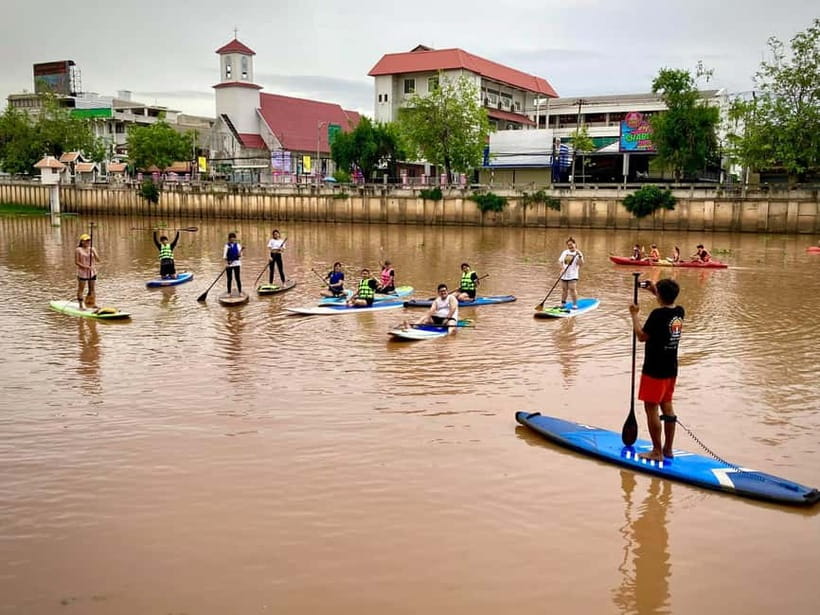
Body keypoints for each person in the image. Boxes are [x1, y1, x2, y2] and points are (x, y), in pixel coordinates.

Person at [629, 278, 684, 462]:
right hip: (671, 368)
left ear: (660, 295)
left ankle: (657, 452)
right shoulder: (679, 312)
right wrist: (655, 291)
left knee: (651, 407)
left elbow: (642, 337)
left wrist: (634, 315)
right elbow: (667, 304)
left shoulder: (656, 315)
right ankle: (668, 449)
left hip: (654, 368)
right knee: (666, 405)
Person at [557, 237, 584, 309]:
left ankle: (575, 304)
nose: (570, 246)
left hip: (573, 275)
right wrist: (562, 268)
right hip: (564, 275)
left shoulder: (579, 253)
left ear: (575, 244)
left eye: (571, 244)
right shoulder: (565, 252)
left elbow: (580, 264)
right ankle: (563, 304)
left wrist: (580, 257)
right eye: (568, 245)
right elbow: (560, 261)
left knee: (572, 289)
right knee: (564, 289)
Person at [75, 233, 99, 309]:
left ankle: (92, 303)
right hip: (82, 272)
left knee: (92, 289)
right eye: (86, 241)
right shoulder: (78, 250)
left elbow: (98, 260)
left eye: (89, 241)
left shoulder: (92, 248)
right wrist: (85, 267)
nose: (88, 242)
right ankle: (81, 305)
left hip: (92, 272)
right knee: (81, 289)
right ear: (82, 241)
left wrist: (94, 252)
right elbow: (76, 262)